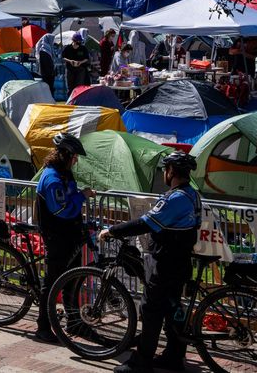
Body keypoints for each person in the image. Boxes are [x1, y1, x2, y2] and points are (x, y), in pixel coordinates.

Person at [99, 152, 201, 373]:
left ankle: (142, 362)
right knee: (172, 308)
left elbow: (146, 223)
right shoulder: (193, 195)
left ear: (171, 171)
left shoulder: (176, 198)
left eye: (165, 169)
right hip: (180, 261)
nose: (164, 173)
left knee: (151, 309)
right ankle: (174, 357)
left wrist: (113, 230)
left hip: (166, 262)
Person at [34, 133, 95, 342]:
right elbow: (62, 209)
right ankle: (42, 327)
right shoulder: (51, 178)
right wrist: (82, 196)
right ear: (66, 155)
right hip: (57, 237)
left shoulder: (65, 174)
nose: (76, 160)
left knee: (73, 281)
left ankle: (74, 323)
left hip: (71, 236)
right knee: (51, 283)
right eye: (75, 156)